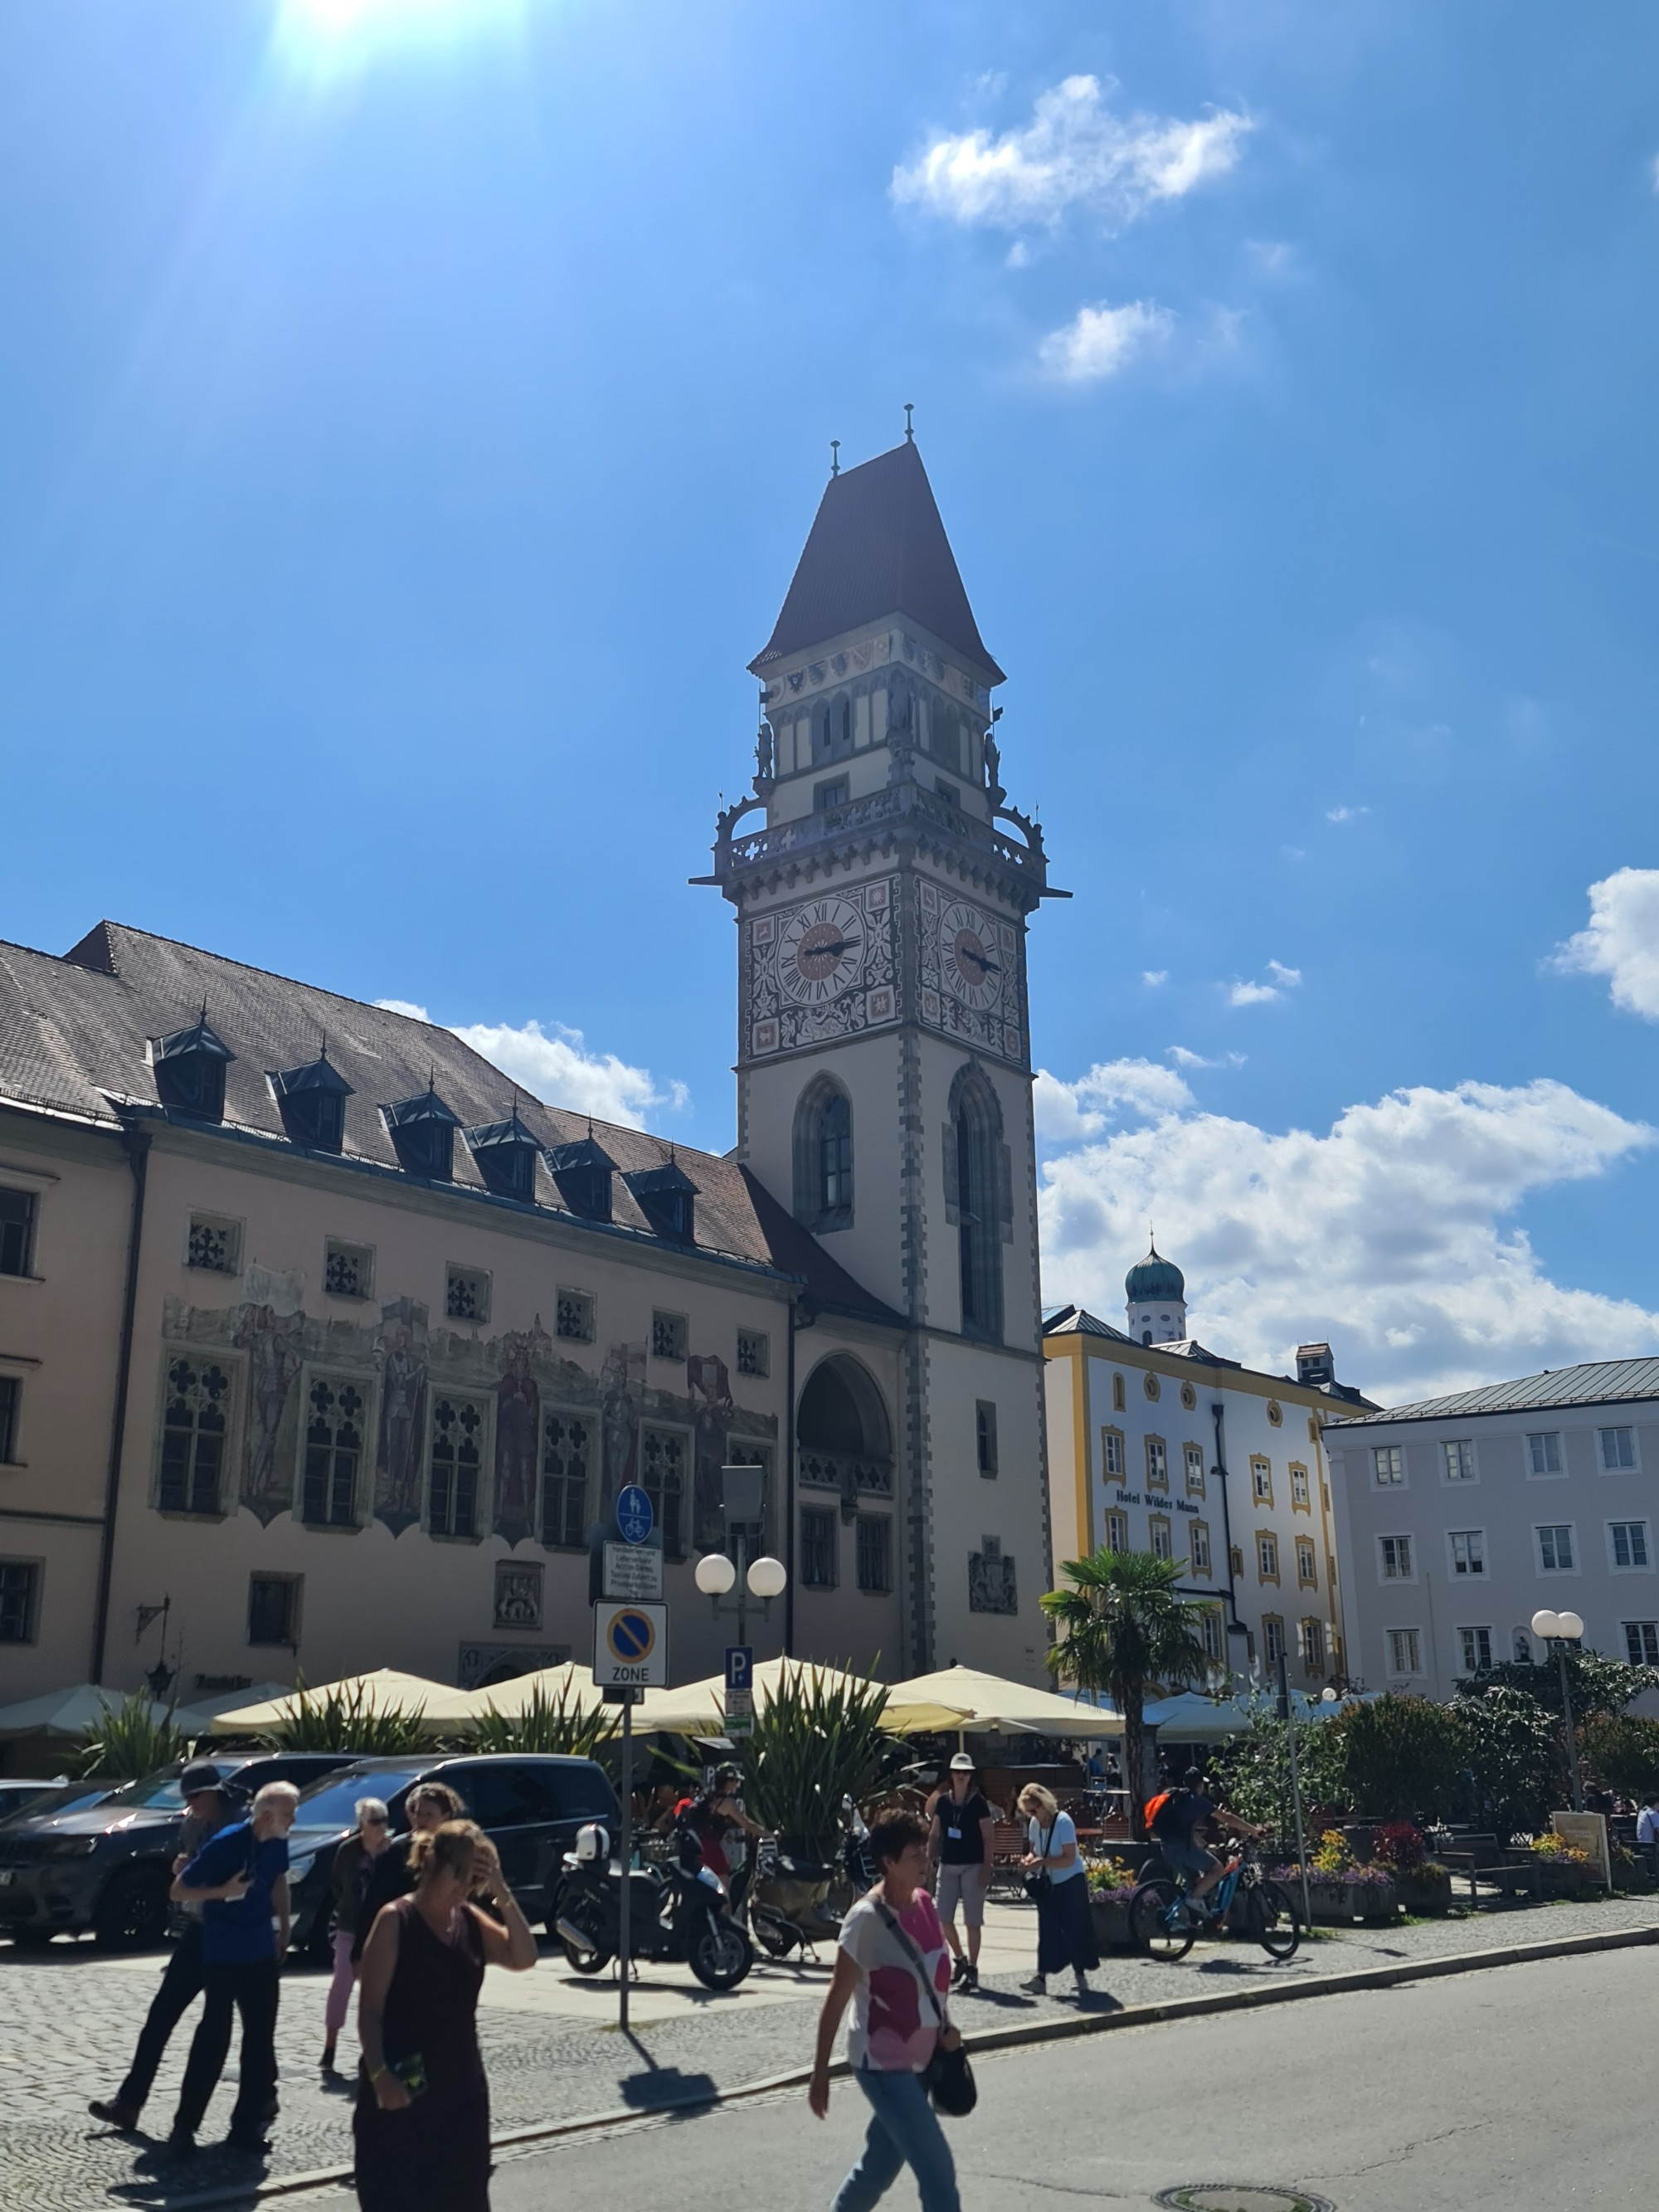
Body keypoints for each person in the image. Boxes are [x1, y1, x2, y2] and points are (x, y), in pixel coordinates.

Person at [353, 1819, 538, 2212]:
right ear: (438, 1866)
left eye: (475, 1880)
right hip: (402, 2093)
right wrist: (380, 2075)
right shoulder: (395, 1920)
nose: (468, 1889)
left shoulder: (469, 1920)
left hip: (461, 2092)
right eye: (464, 1878)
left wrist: (502, 1892)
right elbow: (370, 2011)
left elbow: (524, 1957)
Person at [809, 1808, 962, 2212]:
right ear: (889, 1863)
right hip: (881, 2064)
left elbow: (933, 1979)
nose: (925, 1861)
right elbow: (837, 1998)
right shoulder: (865, 1921)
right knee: (938, 2171)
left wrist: (947, 2027)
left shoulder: (927, 1905)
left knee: (877, 2168)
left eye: (925, 1852)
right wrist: (819, 2073)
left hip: (925, 2061)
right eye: (914, 1856)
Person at [87, 1760, 241, 2133]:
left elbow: (242, 1878)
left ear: (213, 1794)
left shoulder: (237, 1826)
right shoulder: (191, 1825)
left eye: (195, 1797)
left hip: (229, 1934)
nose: (190, 1805)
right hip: (196, 1927)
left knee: (216, 2026)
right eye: (186, 1798)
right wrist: (181, 1867)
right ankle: (129, 2103)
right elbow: (188, 1873)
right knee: (159, 2017)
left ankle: (194, 2123)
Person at [167, 1779, 300, 2158]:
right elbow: (178, 1890)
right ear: (268, 1816)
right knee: (214, 2036)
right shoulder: (227, 1841)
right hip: (222, 1951)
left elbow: (277, 1881)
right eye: (289, 1815)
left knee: (260, 2040)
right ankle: (184, 2127)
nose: (294, 1821)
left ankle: (245, 2128)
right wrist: (219, 1892)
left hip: (259, 1948)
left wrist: (285, 1927)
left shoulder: (277, 1841)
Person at [352, 1781, 468, 1963]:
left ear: (446, 1816)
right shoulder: (398, 1851)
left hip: (447, 1942)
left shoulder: (457, 1852)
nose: (421, 1820)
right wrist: (359, 1953)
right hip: (403, 1939)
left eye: (429, 1814)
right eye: (418, 1813)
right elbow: (374, 1900)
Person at [322, 1798, 391, 2075]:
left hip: (382, 1928)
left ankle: (374, 2051)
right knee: (342, 1984)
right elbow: (338, 1886)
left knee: (379, 1990)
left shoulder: (392, 1850)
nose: (381, 1827)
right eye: (374, 1821)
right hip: (350, 1925)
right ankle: (330, 2047)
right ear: (361, 1824)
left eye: (384, 1820)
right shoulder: (348, 1851)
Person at [1150, 1767, 1266, 1919]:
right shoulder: (1196, 1801)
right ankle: (1193, 1902)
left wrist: (1203, 1845)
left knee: (1197, 1884)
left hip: (1167, 1847)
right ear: (1200, 1785)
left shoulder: (1176, 1797)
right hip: (1183, 1849)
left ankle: (1182, 1921)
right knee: (1217, 1869)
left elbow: (1183, 1828)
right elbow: (1226, 1818)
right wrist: (1252, 1830)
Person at [1016, 1783, 1097, 2000]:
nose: (1033, 1815)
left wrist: (1042, 1861)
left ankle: (1080, 1977)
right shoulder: (1034, 1823)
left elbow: (1069, 1858)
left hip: (1070, 1882)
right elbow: (1034, 1852)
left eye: (1035, 1810)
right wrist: (1028, 1861)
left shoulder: (1063, 1822)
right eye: (1029, 1812)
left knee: (1074, 1930)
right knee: (1047, 1930)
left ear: (1044, 1804)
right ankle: (1040, 1978)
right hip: (1049, 1884)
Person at [926, 1755, 995, 1991]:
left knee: (972, 1920)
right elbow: (935, 1833)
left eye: (965, 1772)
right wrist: (927, 1860)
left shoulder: (979, 1803)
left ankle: (973, 1967)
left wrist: (987, 1868)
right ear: (951, 1774)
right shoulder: (943, 1803)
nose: (961, 1775)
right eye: (957, 1771)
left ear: (970, 1775)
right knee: (942, 1917)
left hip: (973, 1864)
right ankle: (960, 1959)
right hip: (949, 1864)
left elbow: (988, 1837)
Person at [1637, 1791, 1659, 1880]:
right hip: (1652, 1846)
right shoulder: (1653, 1813)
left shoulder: (1642, 1812)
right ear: (1654, 1803)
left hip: (1642, 1844)